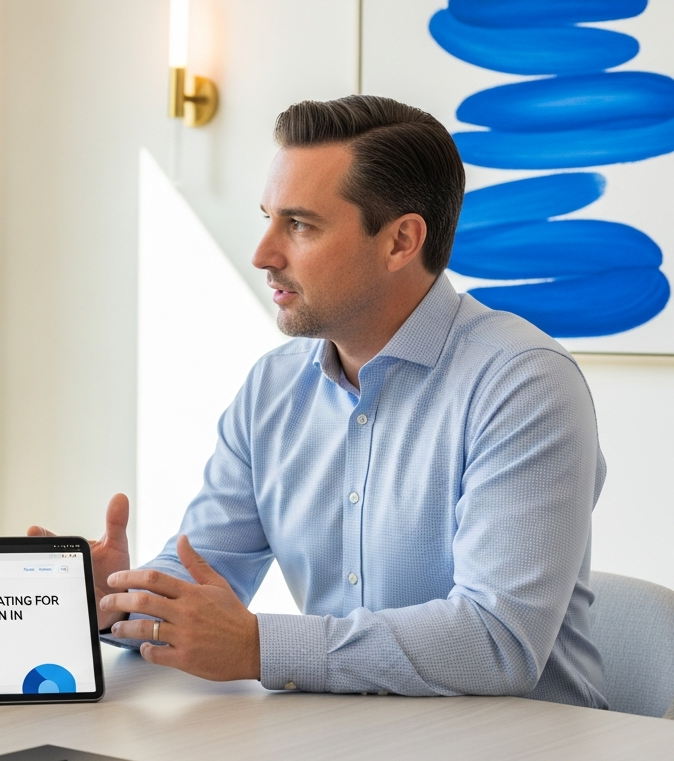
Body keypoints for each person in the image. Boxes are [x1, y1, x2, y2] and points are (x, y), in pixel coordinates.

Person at [36, 95, 606, 708]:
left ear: (400, 242)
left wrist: (259, 648)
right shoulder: (273, 389)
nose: (262, 254)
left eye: (300, 225)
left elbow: (498, 642)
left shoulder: (522, 384)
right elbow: (202, 581)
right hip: (342, 739)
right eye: (267, 218)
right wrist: (114, 603)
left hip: (523, 747)